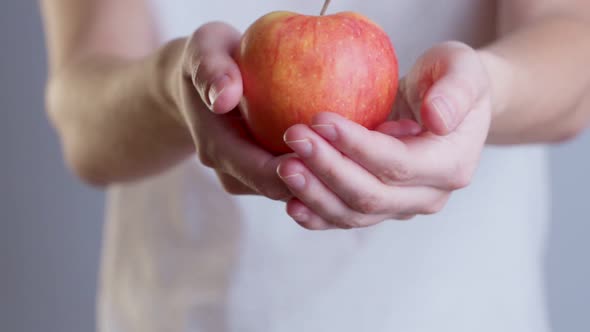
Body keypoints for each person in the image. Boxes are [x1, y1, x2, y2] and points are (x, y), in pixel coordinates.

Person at [40, 0, 590, 331]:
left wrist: (486, 88)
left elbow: (572, 44)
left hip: (452, 311)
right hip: (185, 313)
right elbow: (82, 117)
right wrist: (169, 88)